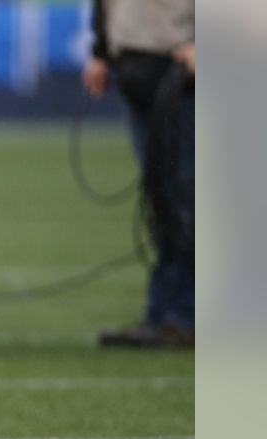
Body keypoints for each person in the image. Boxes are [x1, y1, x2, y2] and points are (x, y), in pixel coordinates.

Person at [83, 0, 194, 348]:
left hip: (181, 64)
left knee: (190, 194)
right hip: (134, 65)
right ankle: (163, 313)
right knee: (161, 198)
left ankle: (188, 314)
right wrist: (102, 51)